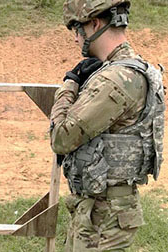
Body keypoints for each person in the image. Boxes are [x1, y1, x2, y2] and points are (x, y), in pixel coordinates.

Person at [50, 0, 165, 251]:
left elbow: (61, 137)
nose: (75, 39)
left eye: (76, 29)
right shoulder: (131, 68)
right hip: (102, 210)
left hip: (103, 217)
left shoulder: (116, 79)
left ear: (95, 24)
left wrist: (69, 84)